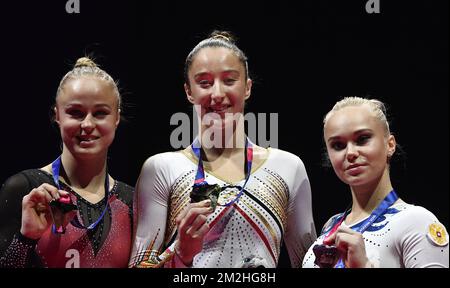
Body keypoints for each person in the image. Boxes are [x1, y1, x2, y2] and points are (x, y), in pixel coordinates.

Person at [129, 31, 316, 268]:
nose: (217, 94)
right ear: (188, 91)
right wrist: (182, 255)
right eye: (204, 83)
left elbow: (310, 264)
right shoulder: (162, 169)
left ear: (247, 87)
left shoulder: (288, 168)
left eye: (229, 80)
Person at [0, 57, 134, 268]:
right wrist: (26, 239)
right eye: (75, 113)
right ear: (57, 115)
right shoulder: (25, 190)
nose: (88, 124)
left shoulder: (132, 202)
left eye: (100, 113)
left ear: (116, 117)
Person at [302, 96, 449, 268]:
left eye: (362, 139)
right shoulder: (331, 227)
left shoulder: (417, 221)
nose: (350, 152)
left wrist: (364, 265)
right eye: (338, 145)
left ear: (390, 145)